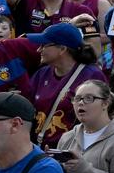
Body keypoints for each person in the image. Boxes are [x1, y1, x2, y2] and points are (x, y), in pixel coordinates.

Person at [26, 21, 108, 150]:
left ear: (62, 49)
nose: (38, 49)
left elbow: (99, 121)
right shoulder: (41, 74)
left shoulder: (92, 76)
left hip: (73, 153)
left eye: (44, 45)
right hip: (39, 150)